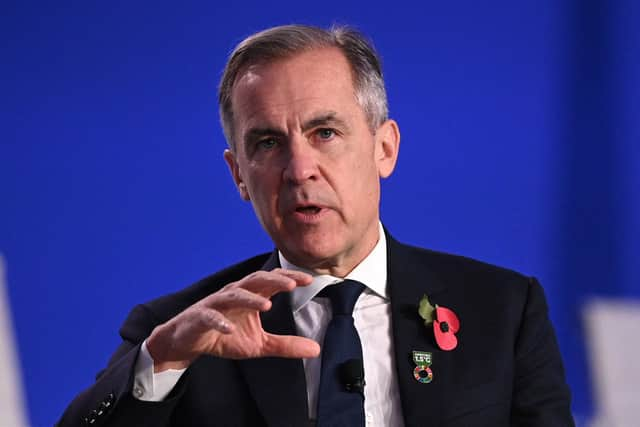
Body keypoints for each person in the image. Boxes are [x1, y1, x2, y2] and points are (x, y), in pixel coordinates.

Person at [57, 24, 574, 427]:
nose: (299, 168)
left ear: (384, 148)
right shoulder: (179, 332)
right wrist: (161, 360)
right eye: (266, 143)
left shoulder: (502, 311)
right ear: (239, 174)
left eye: (324, 132)